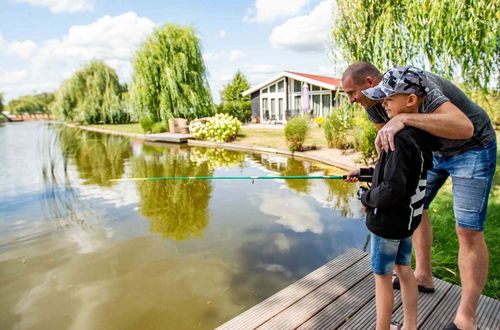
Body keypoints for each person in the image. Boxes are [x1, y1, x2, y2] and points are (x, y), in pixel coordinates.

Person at [343, 61, 496, 330]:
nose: (352, 100)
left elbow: (464, 127)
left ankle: (466, 318)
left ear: (369, 83)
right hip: (431, 152)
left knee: (468, 230)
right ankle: (423, 274)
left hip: (473, 146)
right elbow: (390, 155)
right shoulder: (374, 104)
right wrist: (372, 179)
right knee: (415, 205)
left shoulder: (419, 83)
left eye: (351, 93)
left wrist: (403, 118)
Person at [354, 66, 438, 330]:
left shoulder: (397, 137)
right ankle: (410, 326)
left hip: (387, 224)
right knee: (405, 270)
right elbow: (401, 175)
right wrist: (365, 173)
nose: (384, 104)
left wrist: (366, 198)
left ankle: (382, 327)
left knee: (382, 278)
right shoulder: (420, 135)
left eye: (389, 98)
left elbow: (391, 188)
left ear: (410, 100)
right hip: (406, 222)